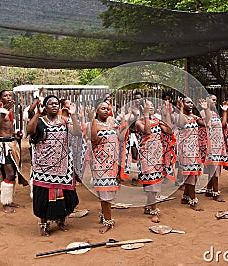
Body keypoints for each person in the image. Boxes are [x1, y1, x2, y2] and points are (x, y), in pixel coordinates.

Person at [26, 95, 81, 236]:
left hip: (63, 167)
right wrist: (37, 113)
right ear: (45, 107)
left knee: (64, 196)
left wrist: (73, 116)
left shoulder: (65, 121)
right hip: (43, 168)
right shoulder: (40, 121)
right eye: (51, 104)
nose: (55, 106)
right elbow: (30, 131)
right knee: (43, 196)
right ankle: (44, 224)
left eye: (56, 103)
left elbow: (77, 132)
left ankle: (61, 220)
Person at [126, 99, 175, 222]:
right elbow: (147, 131)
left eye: (152, 105)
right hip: (146, 156)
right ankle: (154, 210)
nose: (151, 107)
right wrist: (147, 115)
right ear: (142, 107)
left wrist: (166, 115)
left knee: (155, 182)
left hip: (158, 155)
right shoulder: (138, 122)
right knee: (151, 181)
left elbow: (169, 131)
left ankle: (149, 205)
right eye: (148, 105)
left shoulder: (157, 120)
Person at [90, 99, 131, 233]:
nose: (106, 111)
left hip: (113, 162)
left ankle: (104, 215)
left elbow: (120, 138)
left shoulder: (113, 122)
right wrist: (92, 121)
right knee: (104, 191)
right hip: (100, 163)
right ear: (97, 111)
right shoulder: (94, 123)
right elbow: (93, 139)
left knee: (107, 191)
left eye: (108, 108)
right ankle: (108, 221)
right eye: (103, 108)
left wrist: (125, 126)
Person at [0, 89, 28, 213]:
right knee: (9, 174)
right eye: (5, 96)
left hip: (13, 144)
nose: (9, 97)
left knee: (12, 174)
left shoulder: (11, 112)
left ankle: (9, 200)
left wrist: (17, 133)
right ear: (1, 99)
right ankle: (5, 203)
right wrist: (3, 113)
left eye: (10, 95)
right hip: (4, 147)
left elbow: (8, 129)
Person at [199, 95, 228, 202]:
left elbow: (223, 125)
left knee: (214, 168)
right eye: (213, 99)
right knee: (214, 169)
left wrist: (225, 112)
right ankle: (216, 193)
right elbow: (207, 121)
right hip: (211, 145)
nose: (215, 101)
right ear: (207, 100)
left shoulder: (215, 113)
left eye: (216, 100)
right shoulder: (204, 112)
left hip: (218, 144)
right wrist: (206, 108)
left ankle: (209, 189)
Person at [176, 97, 205, 211]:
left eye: (191, 102)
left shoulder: (194, 117)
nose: (191, 104)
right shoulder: (179, 116)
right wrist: (181, 108)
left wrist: (204, 109)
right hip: (186, 150)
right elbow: (181, 123)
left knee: (193, 174)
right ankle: (193, 201)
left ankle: (185, 197)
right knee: (191, 174)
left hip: (194, 149)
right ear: (182, 104)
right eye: (187, 102)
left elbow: (205, 123)